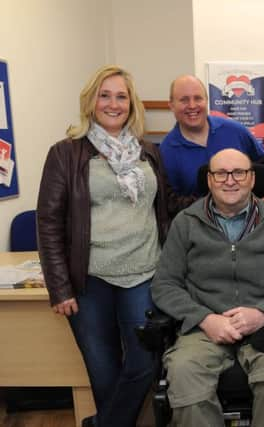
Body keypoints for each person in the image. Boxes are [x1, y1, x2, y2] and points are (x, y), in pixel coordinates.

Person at [36, 65, 170, 427]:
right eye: (105, 95)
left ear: (132, 103)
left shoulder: (149, 153)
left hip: (143, 274)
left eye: (121, 96)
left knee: (144, 364)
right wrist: (59, 287)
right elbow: (48, 223)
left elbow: (167, 205)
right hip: (89, 280)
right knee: (103, 372)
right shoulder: (66, 154)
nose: (113, 103)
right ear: (91, 101)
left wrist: (224, 194)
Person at [151, 148, 264, 427]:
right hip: (204, 328)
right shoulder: (186, 222)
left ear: (252, 179)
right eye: (220, 173)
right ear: (209, 180)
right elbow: (165, 284)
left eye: (239, 173)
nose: (230, 180)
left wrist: (262, 313)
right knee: (184, 373)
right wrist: (205, 319)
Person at [159, 75, 264, 200]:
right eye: (184, 100)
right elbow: (172, 202)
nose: (192, 105)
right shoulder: (166, 151)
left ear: (207, 101)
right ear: (171, 105)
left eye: (198, 98)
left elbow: (262, 171)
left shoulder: (236, 131)